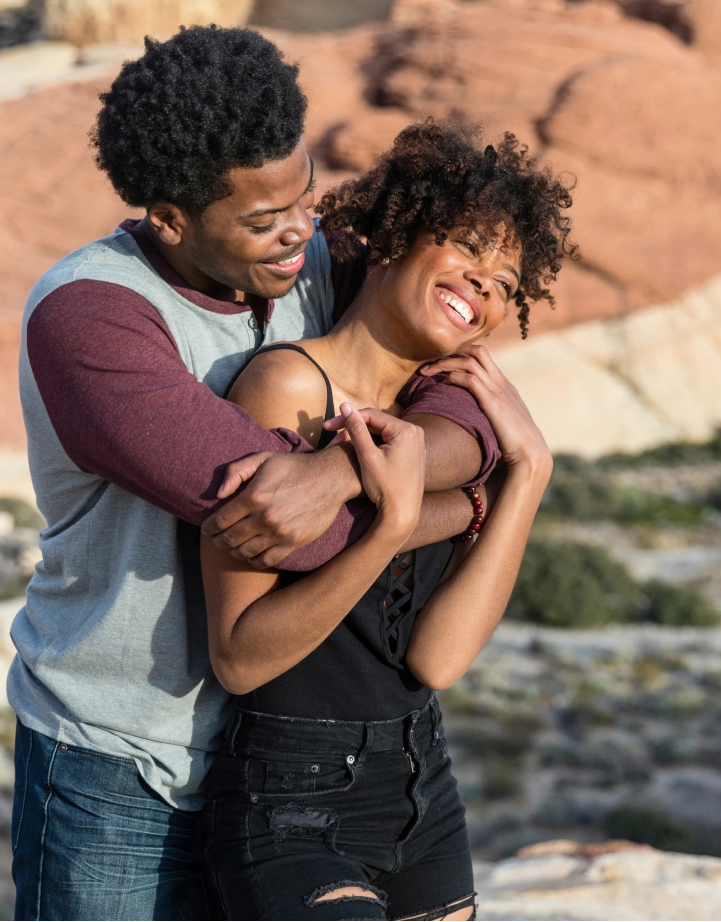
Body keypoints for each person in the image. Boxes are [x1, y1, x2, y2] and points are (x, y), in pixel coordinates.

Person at [8, 27, 504, 922]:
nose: (299, 232)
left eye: (305, 196)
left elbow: (463, 403)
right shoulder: (93, 319)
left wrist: (338, 477)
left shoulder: (322, 261)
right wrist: (467, 506)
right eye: (261, 219)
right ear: (170, 218)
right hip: (120, 764)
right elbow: (285, 525)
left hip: (281, 763)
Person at [197, 119, 575, 922]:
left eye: (507, 283)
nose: (484, 284)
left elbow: (437, 662)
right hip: (290, 798)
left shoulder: (444, 430)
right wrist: (393, 525)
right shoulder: (285, 391)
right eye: (470, 246)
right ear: (399, 233)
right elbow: (239, 659)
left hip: (421, 785)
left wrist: (529, 475)